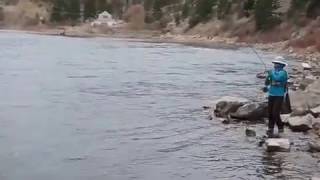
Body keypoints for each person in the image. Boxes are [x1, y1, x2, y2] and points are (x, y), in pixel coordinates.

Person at [263, 60, 288, 137]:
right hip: (271, 94)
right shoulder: (272, 72)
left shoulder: (283, 73)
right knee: (270, 113)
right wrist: (266, 86)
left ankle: (280, 128)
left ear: (281, 65)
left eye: (276, 63)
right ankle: (270, 128)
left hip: (279, 95)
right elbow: (267, 82)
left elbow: (277, 78)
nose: (275, 65)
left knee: (275, 113)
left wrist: (270, 73)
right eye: (274, 63)